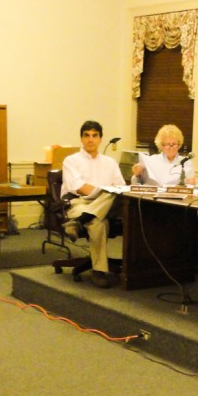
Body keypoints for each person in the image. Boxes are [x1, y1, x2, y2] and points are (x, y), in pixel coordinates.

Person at [61, 120, 126, 289]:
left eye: (95, 136)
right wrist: (103, 191)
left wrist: (107, 192)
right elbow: (80, 188)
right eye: (87, 136)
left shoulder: (110, 163)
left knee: (113, 193)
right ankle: (99, 271)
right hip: (79, 203)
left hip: (105, 203)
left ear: (100, 139)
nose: (91, 139)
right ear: (81, 138)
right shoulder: (71, 161)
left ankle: (79, 222)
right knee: (98, 221)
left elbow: (120, 187)